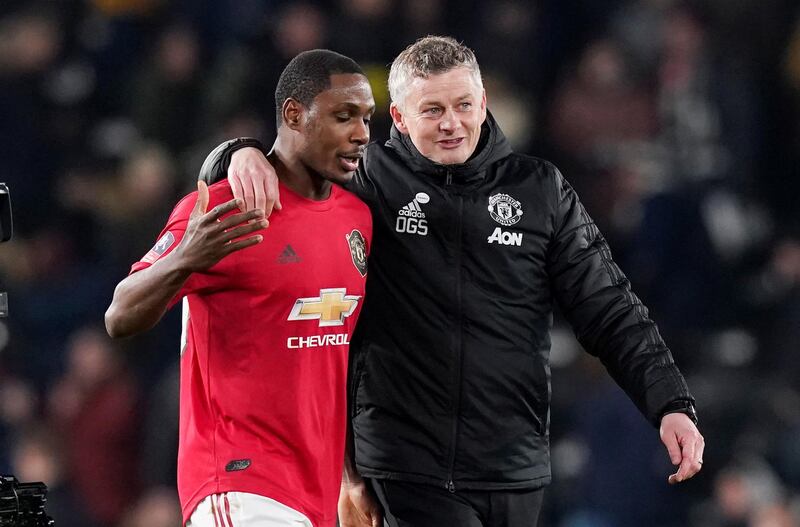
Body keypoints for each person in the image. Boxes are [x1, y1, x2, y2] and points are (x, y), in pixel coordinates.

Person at [200, 36, 705, 527]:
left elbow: (609, 307)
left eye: (463, 105)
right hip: (404, 467)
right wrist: (235, 153)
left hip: (514, 467)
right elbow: (289, 162)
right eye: (433, 110)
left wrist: (669, 403)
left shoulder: (539, 190)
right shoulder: (367, 180)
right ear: (397, 117)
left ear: (484, 103)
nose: (452, 124)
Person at [105, 49, 378, 527]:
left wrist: (348, 478)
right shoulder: (223, 207)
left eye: (365, 118)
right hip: (239, 484)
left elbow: (331, 363)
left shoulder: (357, 219)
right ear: (294, 114)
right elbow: (120, 316)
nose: (361, 134)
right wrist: (186, 259)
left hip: (315, 492)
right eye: (343, 116)